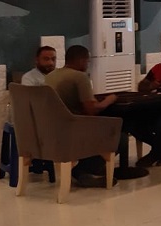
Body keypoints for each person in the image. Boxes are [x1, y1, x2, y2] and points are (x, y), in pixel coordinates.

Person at [45, 45, 117, 186]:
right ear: (81, 60)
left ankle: (91, 171)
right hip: (73, 132)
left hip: (52, 131)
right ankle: (81, 171)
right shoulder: (79, 77)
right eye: (87, 61)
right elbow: (92, 110)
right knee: (119, 138)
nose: (87, 65)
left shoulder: (50, 76)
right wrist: (109, 100)